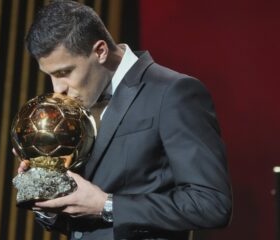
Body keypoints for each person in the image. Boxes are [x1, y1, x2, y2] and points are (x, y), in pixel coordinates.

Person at [15, 1, 232, 239]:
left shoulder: (173, 92)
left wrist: (107, 206)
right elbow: (80, 218)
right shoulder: (74, 110)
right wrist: (46, 193)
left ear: (100, 51)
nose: (58, 90)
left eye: (64, 73)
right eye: (50, 76)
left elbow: (211, 204)